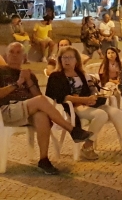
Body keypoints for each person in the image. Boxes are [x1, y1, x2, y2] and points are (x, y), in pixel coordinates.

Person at [0, 43, 91, 174]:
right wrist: (18, 83)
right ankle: (72, 130)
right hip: (6, 110)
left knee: (41, 116)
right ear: (6, 55)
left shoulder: (29, 75)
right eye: (12, 52)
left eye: (18, 52)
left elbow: (38, 98)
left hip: (27, 110)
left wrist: (28, 81)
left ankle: (43, 160)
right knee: (40, 103)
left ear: (24, 57)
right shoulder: (1, 72)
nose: (14, 55)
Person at [46, 46, 122, 161]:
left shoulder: (80, 74)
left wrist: (94, 96)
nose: (67, 60)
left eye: (70, 57)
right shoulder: (56, 76)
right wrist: (84, 100)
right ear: (60, 60)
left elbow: (89, 91)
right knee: (101, 114)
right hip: (74, 108)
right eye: (64, 57)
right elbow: (62, 97)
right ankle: (87, 147)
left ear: (76, 59)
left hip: (88, 104)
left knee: (116, 112)